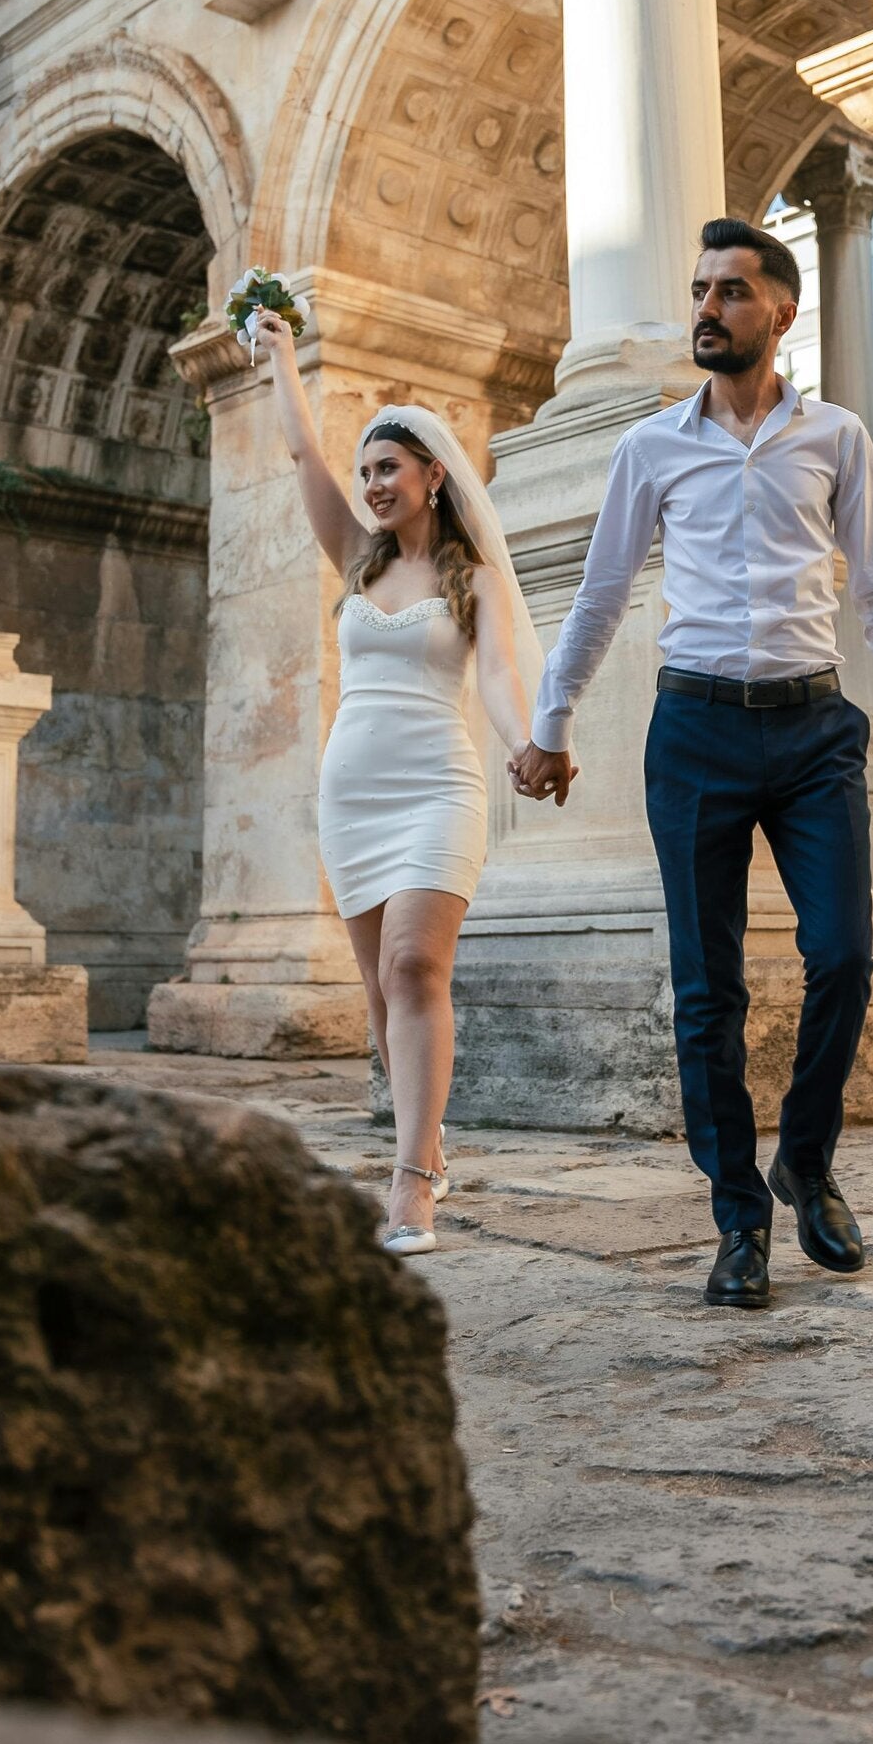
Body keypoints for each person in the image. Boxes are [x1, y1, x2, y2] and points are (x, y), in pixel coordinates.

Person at [510, 216, 873, 1310]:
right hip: (694, 729)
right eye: (701, 289)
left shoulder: (836, 437)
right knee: (709, 989)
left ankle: (807, 1158)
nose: (706, 307)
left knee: (844, 953)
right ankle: (740, 1217)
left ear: (781, 312)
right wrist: (552, 723)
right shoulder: (652, 447)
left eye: (731, 291)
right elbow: (601, 593)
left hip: (812, 729)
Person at [253, 305, 552, 1256]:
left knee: (414, 966)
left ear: (433, 475)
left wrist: (525, 741)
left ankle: (411, 1180)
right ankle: (426, 1141)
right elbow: (303, 454)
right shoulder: (356, 557)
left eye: (389, 467)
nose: (374, 483)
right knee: (382, 1000)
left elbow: (499, 676)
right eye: (368, 471)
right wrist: (282, 355)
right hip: (352, 795)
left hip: (438, 789)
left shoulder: (477, 580)